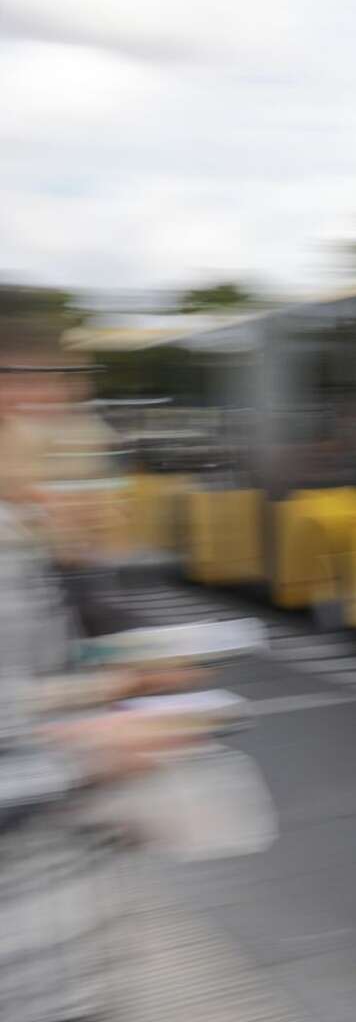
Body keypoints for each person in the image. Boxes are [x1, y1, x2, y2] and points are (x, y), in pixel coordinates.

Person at [0, 300, 201, 1022]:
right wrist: (89, 751)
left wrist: (117, 678)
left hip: (61, 954)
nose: (71, 434)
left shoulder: (21, 539)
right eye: (44, 412)